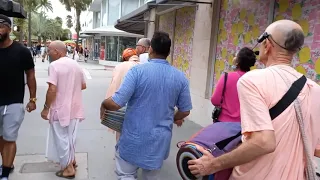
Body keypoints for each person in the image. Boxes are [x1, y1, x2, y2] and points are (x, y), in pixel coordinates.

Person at [188, 20, 320, 180]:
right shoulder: (314, 89)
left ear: (267, 44)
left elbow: (264, 142)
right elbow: (316, 147)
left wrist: (213, 164)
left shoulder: (253, 80)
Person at [100, 31, 192, 179]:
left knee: (126, 174)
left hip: (133, 137)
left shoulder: (136, 72)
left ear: (151, 50)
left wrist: (104, 104)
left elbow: (117, 103)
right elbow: (185, 110)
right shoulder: (180, 77)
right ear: (168, 52)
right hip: (159, 141)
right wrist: (173, 117)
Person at [41, 40, 86, 179]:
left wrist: (45, 108)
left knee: (61, 139)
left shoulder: (54, 66)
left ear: (57, 51)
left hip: (59, 109)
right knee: (70, 138)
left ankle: (68, 168)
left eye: (49, 50)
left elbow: (52, 89)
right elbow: (83, 86)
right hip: (75, 108)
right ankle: (71, 161)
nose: (48, 53)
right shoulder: (76, 65)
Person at [0, 14, 37, 180]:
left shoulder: (21, 51)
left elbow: (30, 75)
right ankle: (6, 162)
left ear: (9, 28)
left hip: (13, 102)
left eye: (0, 26)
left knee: (9, 138)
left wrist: (33, 99)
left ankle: (5, 173)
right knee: (1, 138)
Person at [211, 47, 256, 122]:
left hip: (224, 123)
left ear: (237, 61)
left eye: (236, 56)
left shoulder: (226, 77)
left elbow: (215, 100)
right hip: (244, 125)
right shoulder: (253, 80)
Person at [105, 48, 139, 142]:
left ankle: (119, 153)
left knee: (120, 135)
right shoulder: (144, 66)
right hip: (138, 108)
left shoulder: (120, 67)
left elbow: (113, 86)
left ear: (124, 58)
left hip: (121, 106)